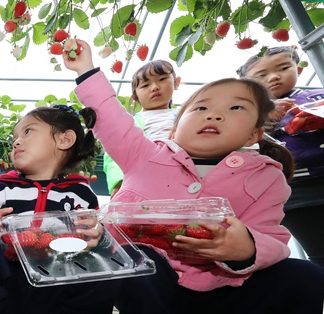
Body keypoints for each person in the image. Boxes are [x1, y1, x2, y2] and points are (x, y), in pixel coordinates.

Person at [63, 39, 324, 313]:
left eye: (236, 108)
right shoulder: (144, 155)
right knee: (130, 258)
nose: (214, 115)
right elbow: (111, 118)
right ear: (174, 131)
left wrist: (246, 248)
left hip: (225, 286)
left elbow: (271, 235)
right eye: (201, 108)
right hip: (153, 287)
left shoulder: (266, 177)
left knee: (306, 276)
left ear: (254, 135)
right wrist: (85, 69)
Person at [0, 105, 120, 314]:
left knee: (101, 260)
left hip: (60, 282)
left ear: (64, 140)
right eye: (14, 137)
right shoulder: (0, 188)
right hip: (6, 282)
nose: (16, 141)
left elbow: (99, 236)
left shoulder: (81, 193)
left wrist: (98, 236)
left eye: (28, 131)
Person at [238, 46, 324, 267]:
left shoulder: (317, 95)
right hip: (296, 191)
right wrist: (266, 115)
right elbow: (243, 142)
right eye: (262, 75)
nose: (274, 77)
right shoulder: (248, 112)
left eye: (284, 68)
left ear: (299, 69)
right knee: (319, 250)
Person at [103, 60, 181, 197]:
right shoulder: (131, 122)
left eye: (162, 79)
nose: (155, 87)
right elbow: (114, 152)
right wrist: (118, 182)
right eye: (145, 85)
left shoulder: (185, 116)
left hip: (182, 174)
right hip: (147, 176)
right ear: (135, 97)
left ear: (176, 82)